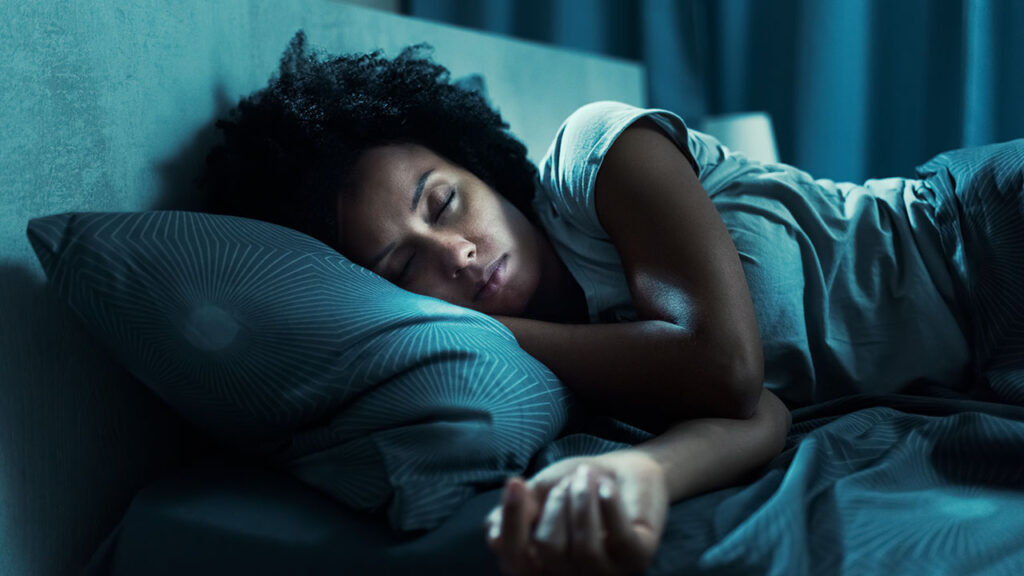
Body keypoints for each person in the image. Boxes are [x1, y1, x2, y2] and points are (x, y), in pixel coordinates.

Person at [201, 31, 1024, 576]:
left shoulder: (597, 156)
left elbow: (725, 367)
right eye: (402, 265)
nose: (453, 254)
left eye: (444, 202)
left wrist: (474, 321)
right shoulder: (569, 370)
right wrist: (636, 474)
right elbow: (760, 414)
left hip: (985, 232)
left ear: (482, 166)